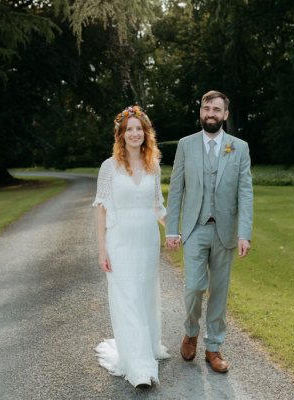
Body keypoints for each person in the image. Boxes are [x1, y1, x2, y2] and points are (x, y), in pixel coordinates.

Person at [165, 90, 253, 373]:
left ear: (225, 114)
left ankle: (214, 347)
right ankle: (190, 332)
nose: (210, 113)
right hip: (194, 229)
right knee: (193, 287)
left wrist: (244, 233)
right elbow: (176, 188)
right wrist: (171, 229)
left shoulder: (239, 147)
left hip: (225, 231)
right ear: (201, 112)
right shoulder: (185, 145)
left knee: (219, 291)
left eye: (216, 109)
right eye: (206, 108)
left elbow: (245, 192)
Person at [93, 105, 170, 388]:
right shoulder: (108, 167)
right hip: (120, 242)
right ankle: (138, 368)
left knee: (145, 296)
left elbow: (158, 208)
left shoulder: (153, 165)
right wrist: (102, 250)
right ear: (121, 135)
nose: (135, 133)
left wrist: (175, 231)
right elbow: (101, 210)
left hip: (148, 242)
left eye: (139, 128)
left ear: (146, 133)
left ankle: (145, 349)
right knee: (127, 300)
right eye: (129, 129)